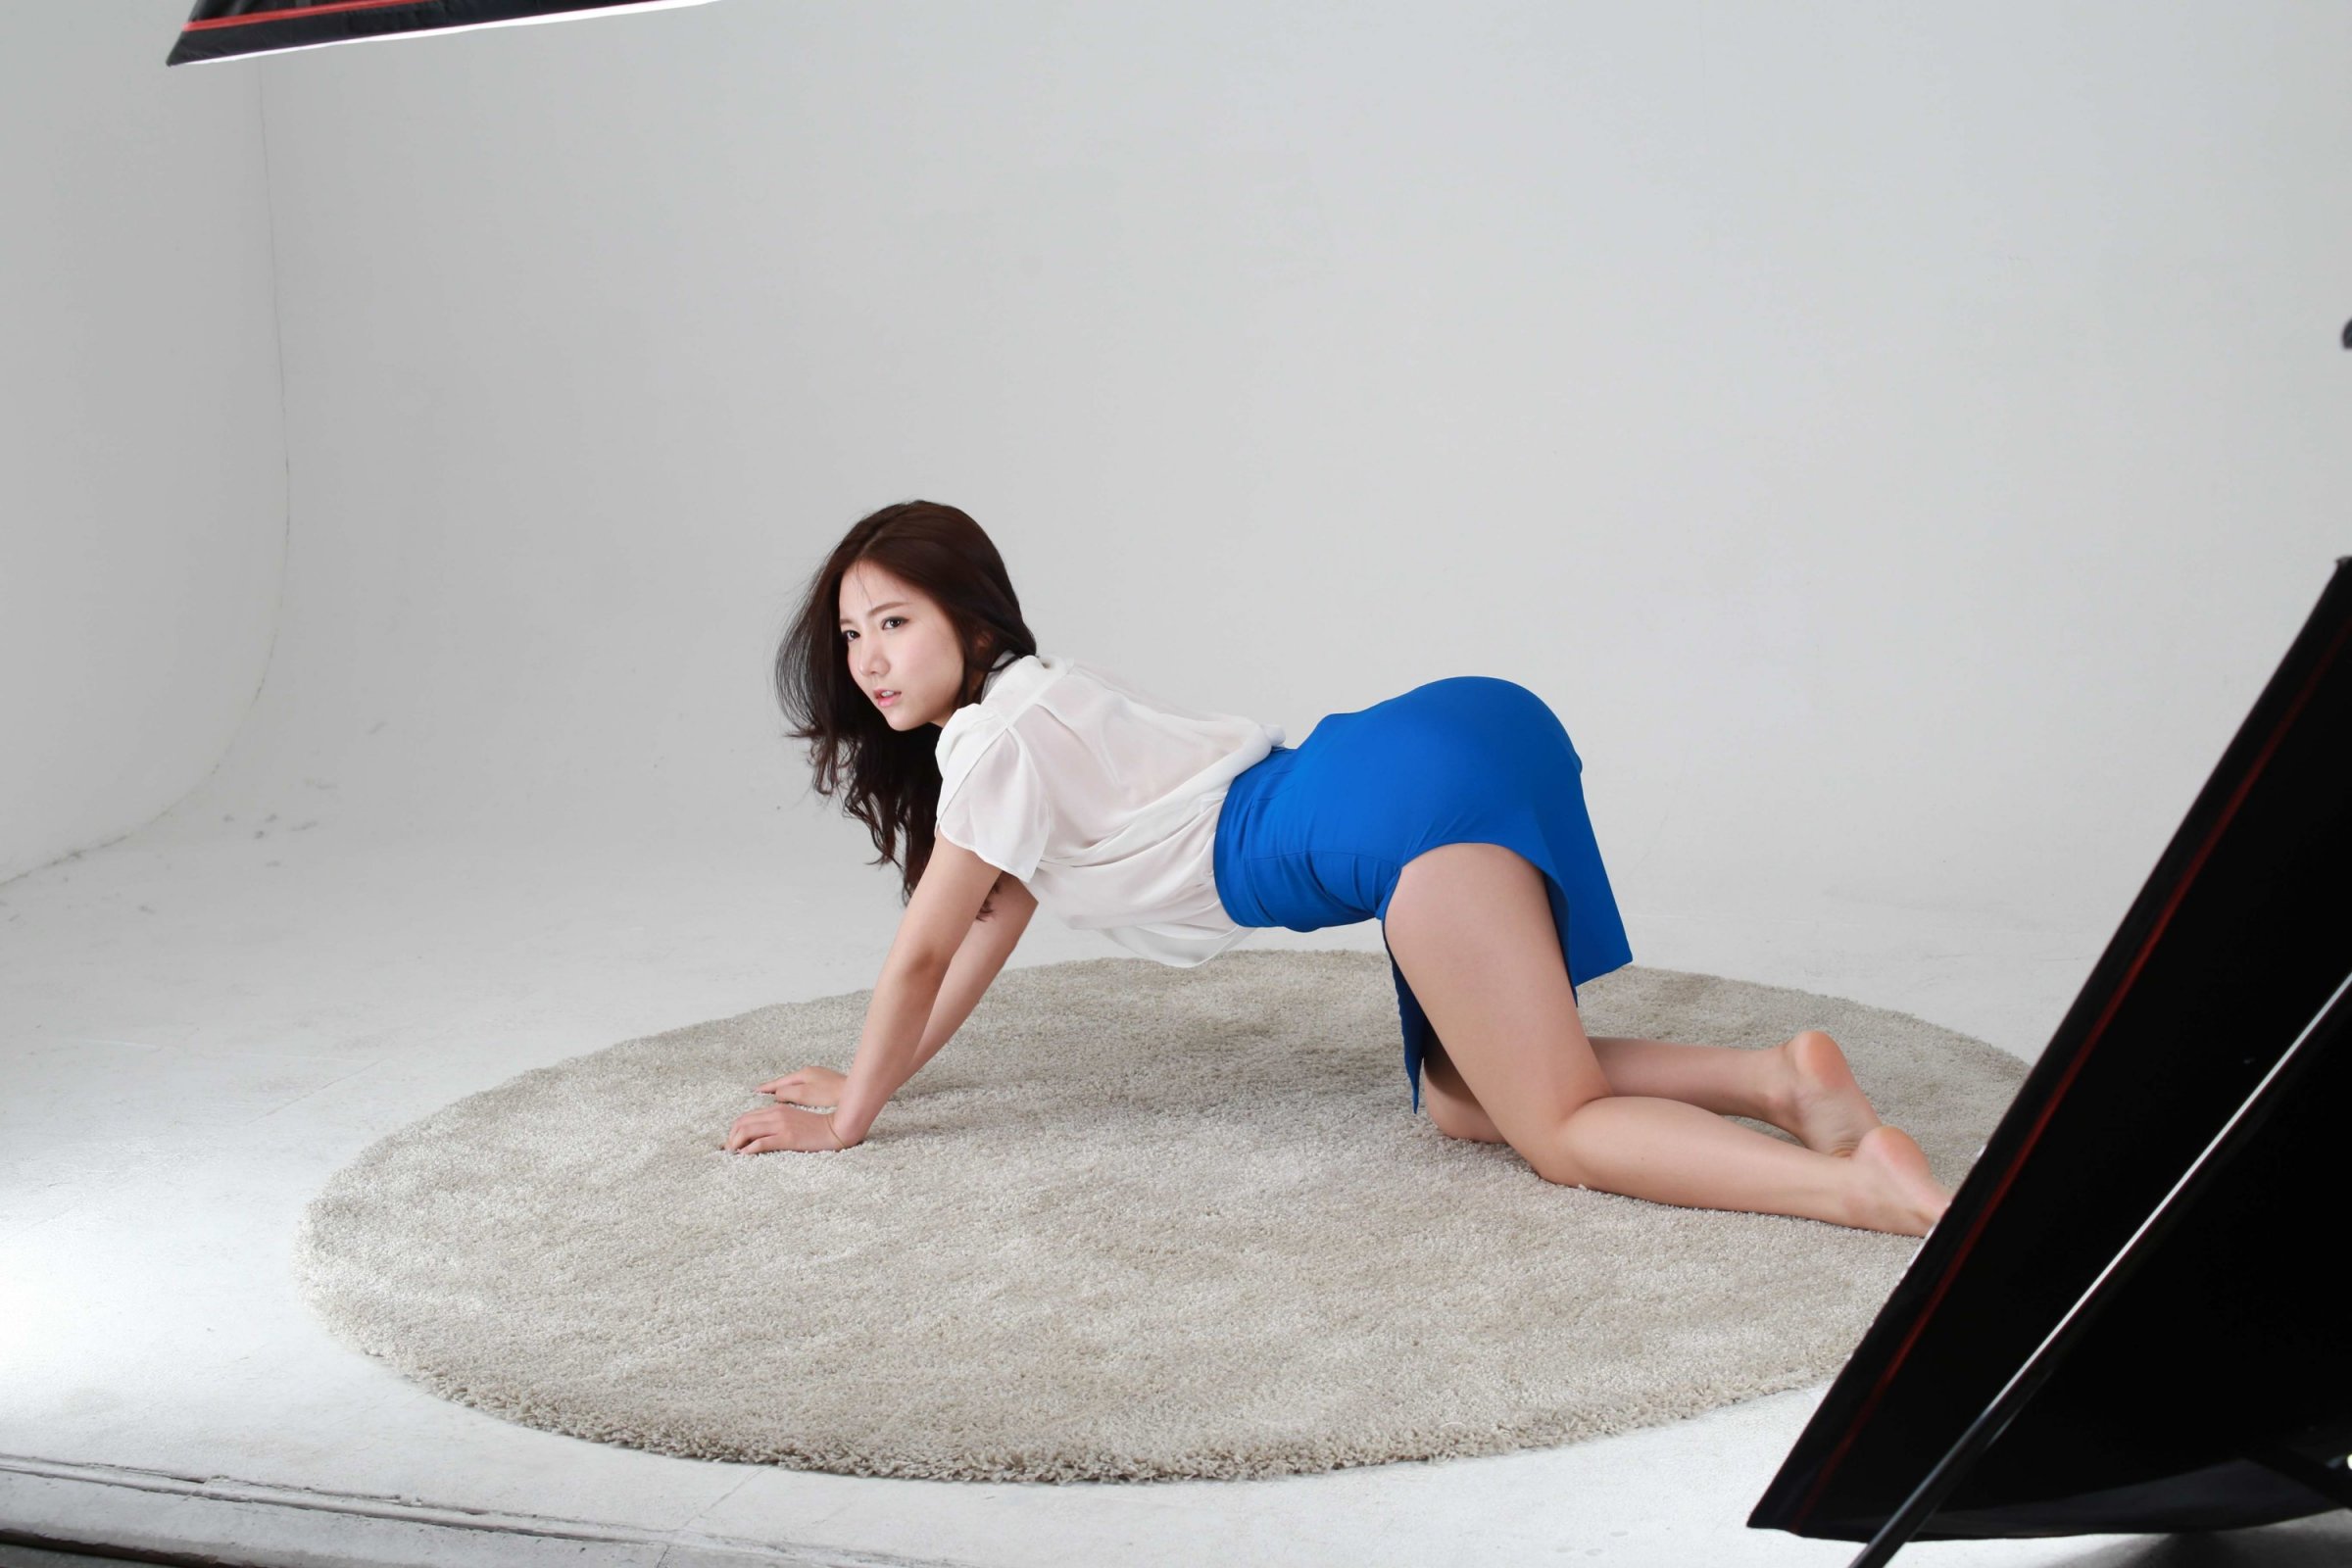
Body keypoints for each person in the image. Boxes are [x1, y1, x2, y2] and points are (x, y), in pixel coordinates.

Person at [726, 500, 1951, 1238]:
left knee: (1562, 1130)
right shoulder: (1042, 706)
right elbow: (977, 944)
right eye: (853, 633)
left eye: (895, 622)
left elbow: (922, 953)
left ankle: (1867, 1193)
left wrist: (852, 1122)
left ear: (977, 622)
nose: (869, 659)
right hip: (1441, 738)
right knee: (1465, 1096)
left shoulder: (994, 746)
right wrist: (878, 1073)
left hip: (1405, 814)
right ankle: (1782, 1081)